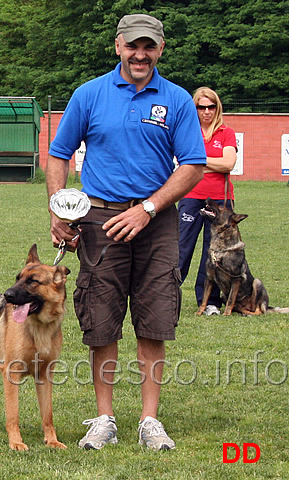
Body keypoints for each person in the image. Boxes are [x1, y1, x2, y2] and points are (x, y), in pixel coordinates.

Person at [46, 13, 206, 451]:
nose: (140, 54)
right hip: (99, 221)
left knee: (154, 321)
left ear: (160, 49)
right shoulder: (90, 93)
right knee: (101, 321)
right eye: (132, 46)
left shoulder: (175, 100)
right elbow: (58, 154)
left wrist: (148, 209)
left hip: (156, 223)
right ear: (118, 46)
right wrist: (59, 207)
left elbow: (193, 164)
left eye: (148, 46)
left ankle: (150, 421)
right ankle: (105, 419)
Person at [178, 87, 237, 315]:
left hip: (220, 200)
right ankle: (170, 294)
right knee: (182, 248)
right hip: (191, 196)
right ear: (195, 109)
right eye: (201, 107)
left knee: (213, 252)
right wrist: (213, 161)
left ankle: (210, 301)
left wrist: (197, 159)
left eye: (211, 107)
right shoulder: (186, 131)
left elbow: (228, 164)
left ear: (217, 108)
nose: (206, 111)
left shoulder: (226, 132)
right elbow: (183, 159)